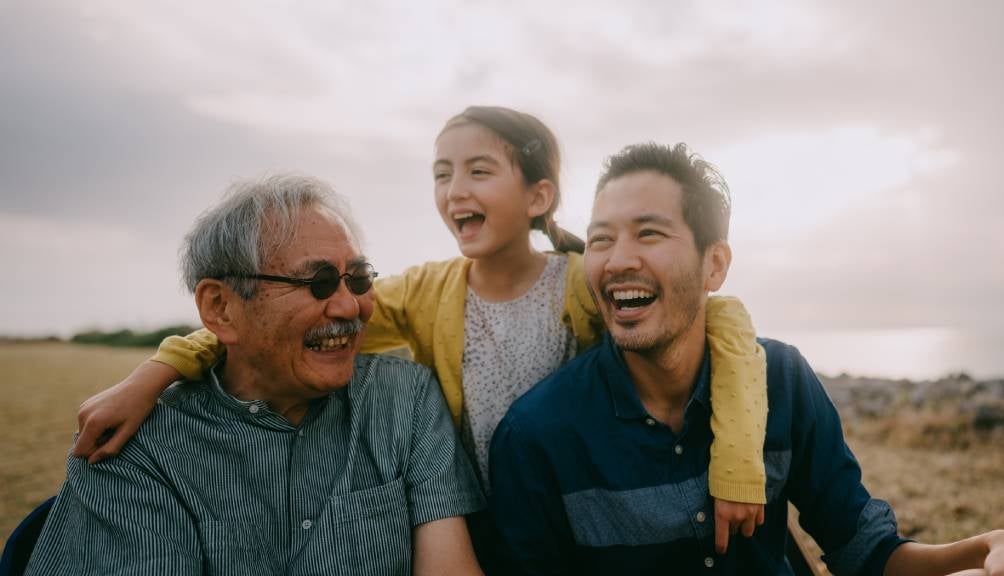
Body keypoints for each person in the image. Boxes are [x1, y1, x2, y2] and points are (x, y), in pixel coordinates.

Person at [73, 107, 767, 560]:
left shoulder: (585, 280)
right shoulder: (423, 292)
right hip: (468, 525)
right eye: (442, 173)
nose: (455, 188)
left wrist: (737, 463)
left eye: (478, 170)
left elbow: (724, 318)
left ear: (539, 196)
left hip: (572, 521)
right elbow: (284, 322)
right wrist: (157, 372)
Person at [488, 142, 1004, 575]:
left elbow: (867, 554)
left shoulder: (780, 379)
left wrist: (984, 549)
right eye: (601, 239)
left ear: (714, 264)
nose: (618, 259)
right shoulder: (537, 435)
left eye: (649, 233)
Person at [27, 175, 486, 575]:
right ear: (220, 307)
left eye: (359, 278)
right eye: (318, 283)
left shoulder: (403, 398)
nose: (350, 306)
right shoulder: (133, 448)